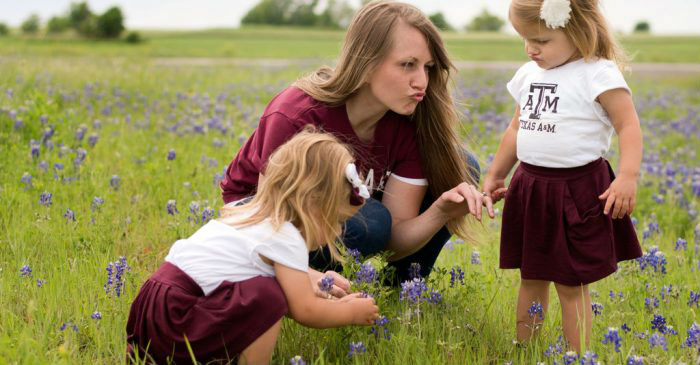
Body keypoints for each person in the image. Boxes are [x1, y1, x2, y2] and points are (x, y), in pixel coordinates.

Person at [220, 0, 492, 291]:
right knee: (372, 221)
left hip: (337, 216)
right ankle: (311, 283)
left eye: (427, 67)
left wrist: (441, 211)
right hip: (256, 217)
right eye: (407, 65)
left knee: (459, 166)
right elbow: (269, 219)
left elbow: (394, 240)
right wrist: (307, 278)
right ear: (366, 63)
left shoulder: (408, 124)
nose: (422, 81)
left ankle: (400, 292)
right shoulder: (298, 113)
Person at [126, 128, 380, 365]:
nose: (337, 232)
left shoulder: (249, 211)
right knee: (268, 298)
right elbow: (305, 310)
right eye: (337, 220)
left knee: (269, 291)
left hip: (154, 309)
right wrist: (351, 313)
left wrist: (332, 298)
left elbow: (296, 294)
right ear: (313, 203)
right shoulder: (285, 234)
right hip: (179, 319)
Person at [483, 0, 643, 352]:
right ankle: (526, 350)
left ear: (578, 30)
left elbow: (628, 125)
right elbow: (516, 127)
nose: (530, 48)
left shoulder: (597, 72)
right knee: (531, 276)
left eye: (541, 40)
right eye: (524, 38)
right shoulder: (528, 73)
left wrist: (627, 176)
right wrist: (496, 173)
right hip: (530, 186)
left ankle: (578, 356)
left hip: (578, 189)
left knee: (572, 282)